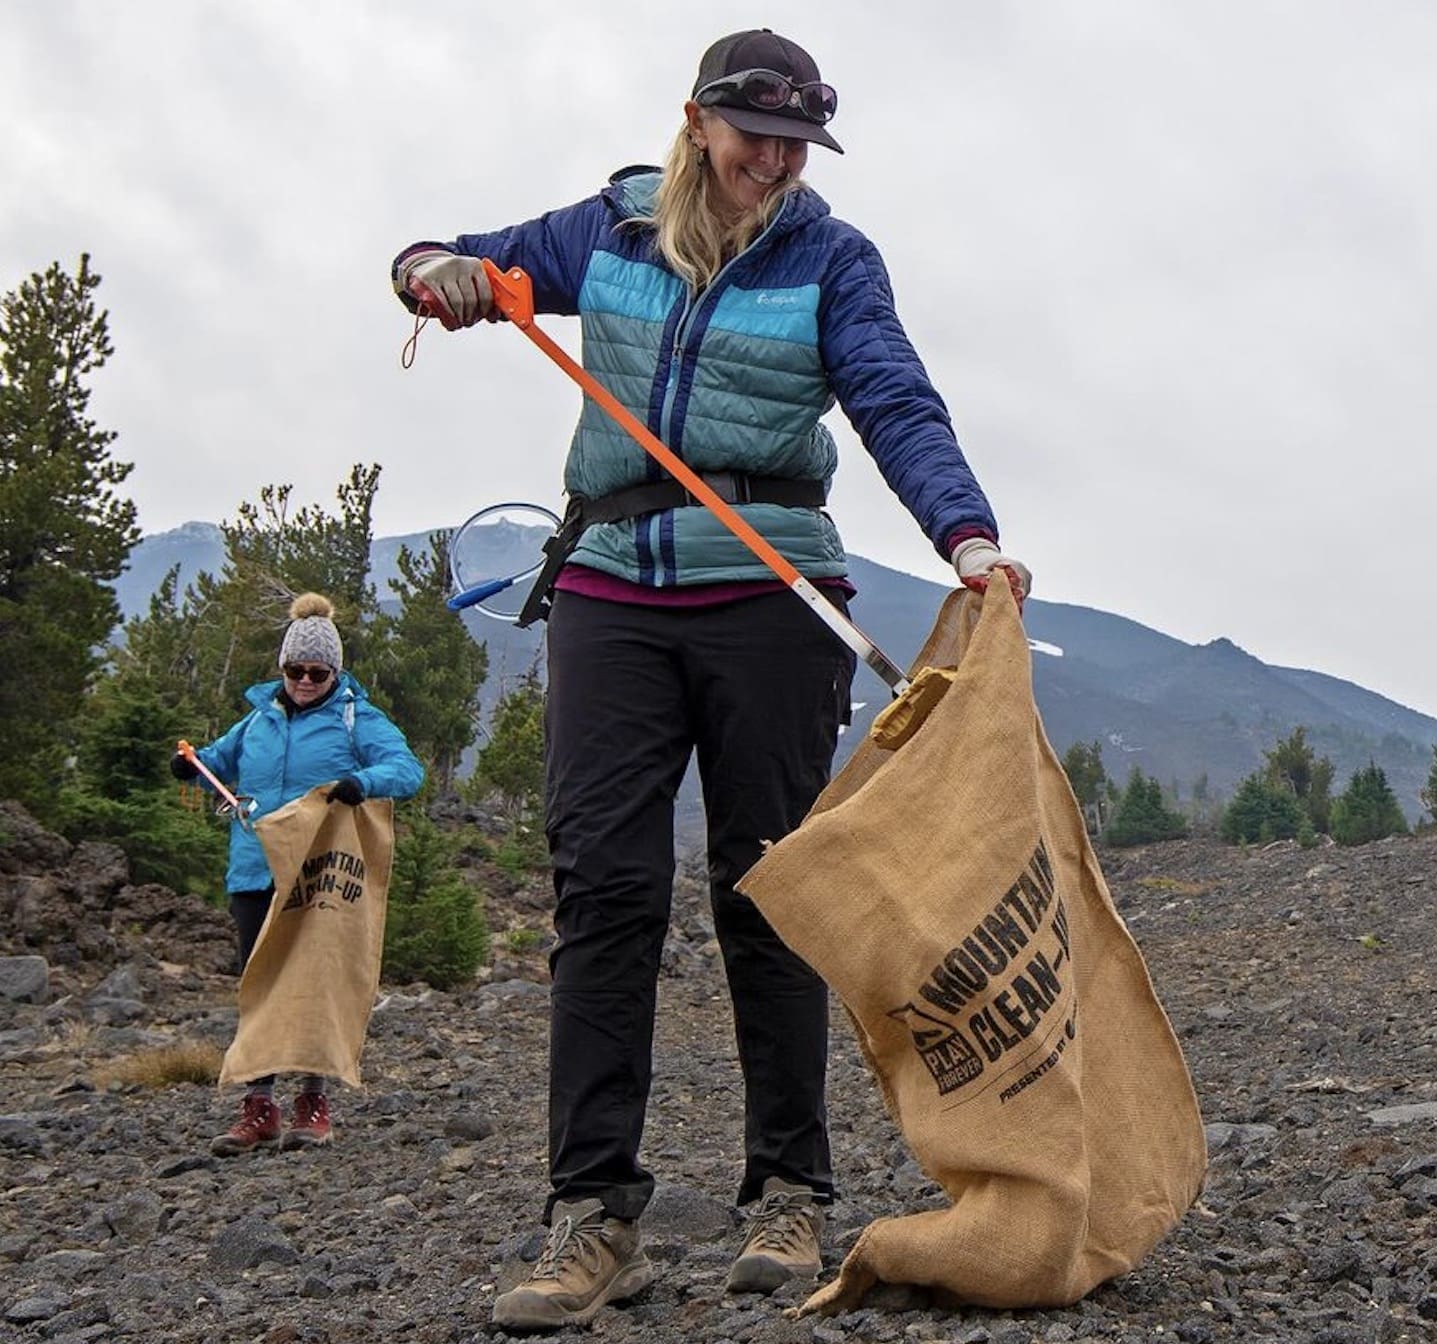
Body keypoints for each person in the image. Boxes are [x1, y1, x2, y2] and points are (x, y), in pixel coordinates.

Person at [391, 28, 1031, 1332]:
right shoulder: (613, 228)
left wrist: (968, 538)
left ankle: (790, 1190)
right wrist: (440, 276)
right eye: (756, 140)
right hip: (615, 590)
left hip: (772, 596)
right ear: (697, 122)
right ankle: (592, 1219)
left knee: (772, 895)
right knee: (605, 888)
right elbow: (436, 258)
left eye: (798, 148)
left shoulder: (834, 261)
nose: (775, 167)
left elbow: (895, 401)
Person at [171, 592, 425, 1157]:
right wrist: (191, 765)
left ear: (334, 672)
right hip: (254, 872)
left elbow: (406, 769)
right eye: (295, 670)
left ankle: (313, 1102)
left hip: (318, 876)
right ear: (282, 668)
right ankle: (258, 1108)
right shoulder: (257, 720)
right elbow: (214, 760)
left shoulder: (359, 719)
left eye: (317, 672)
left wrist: (366, 783)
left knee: (313, 982)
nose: (305, 681)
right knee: (257, 984)